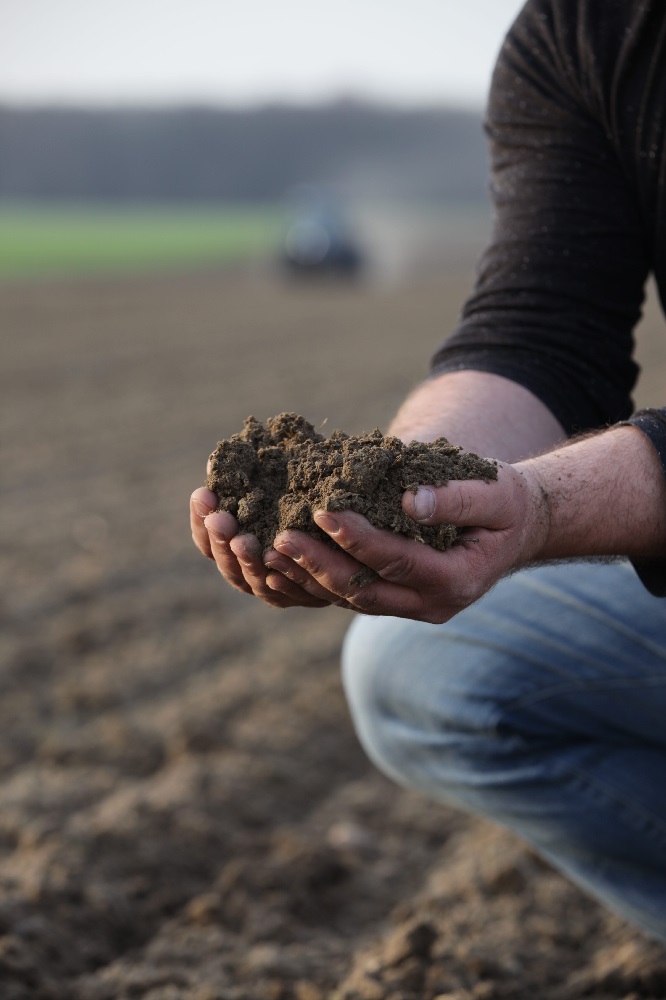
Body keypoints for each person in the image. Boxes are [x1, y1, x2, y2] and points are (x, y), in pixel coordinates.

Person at [191, 0, 666, 943]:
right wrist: (402, 489)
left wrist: (544, 506)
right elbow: (539, 330)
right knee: (422, 665)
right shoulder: (584, 29)